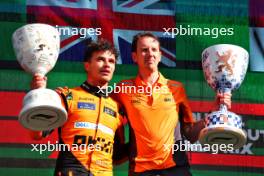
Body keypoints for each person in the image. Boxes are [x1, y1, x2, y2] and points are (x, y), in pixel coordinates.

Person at [113, 32, 231, 176]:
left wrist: (213, 113)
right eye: (144, 50)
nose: (150, 54)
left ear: (160, 55)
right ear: (134, 57)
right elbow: (109, 123)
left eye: (154, 49)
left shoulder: (176, 88)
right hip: (141, 171)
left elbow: (191, 134)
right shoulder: (123, 88)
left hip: (176, 169)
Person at [30, 39, 125, 176]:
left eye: (111, 61)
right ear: (87, 65)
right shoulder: (67, 96)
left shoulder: (117, 108)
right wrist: (38, 96)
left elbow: (117, 157)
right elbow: (37, 134)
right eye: (100, 59)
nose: (107, 65)